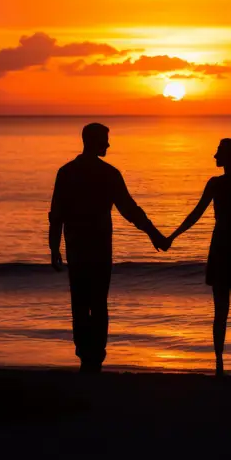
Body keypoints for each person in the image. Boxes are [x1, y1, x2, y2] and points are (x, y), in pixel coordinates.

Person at [49, 122, 166, 372]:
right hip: (98, 249)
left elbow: (56, 214)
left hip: (78, 248)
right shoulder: (108, 174)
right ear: (93, 141)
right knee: (97, 303)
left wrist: (54, 247)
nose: (109, 145)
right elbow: (129, 209)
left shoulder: (67, 172)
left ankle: (86, 356)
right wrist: (154, 234)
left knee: (81, 303)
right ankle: (95, 358)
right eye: (105, 140)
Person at [165, 138, 231, 376]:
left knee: (221, 312)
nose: (214, 156)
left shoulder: (217, 184)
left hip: (223, 248)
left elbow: (196, 214)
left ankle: (220, 366)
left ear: (229, 157)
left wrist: (172, 236)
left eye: (218, 152)